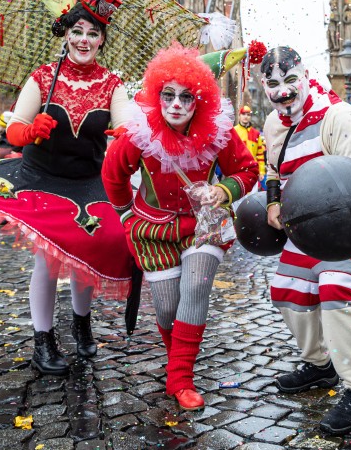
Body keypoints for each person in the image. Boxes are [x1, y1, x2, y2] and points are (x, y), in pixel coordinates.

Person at [0, 0, 135, 375]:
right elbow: (15, 128)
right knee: (48, 262)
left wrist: (126, 135)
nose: (84, 39)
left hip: (88, 180)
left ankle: (82, 323)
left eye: (93, 33)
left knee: (92, 248)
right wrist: (28, 132)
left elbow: (128, 125)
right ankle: (43, 341)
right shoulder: (44, 77)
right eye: (77, 31)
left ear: (102, 40)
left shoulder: (112, 84)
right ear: (66, 34)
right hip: (42, 178)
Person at [102, 43, 258, 411]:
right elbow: (113, 177)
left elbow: (246, 170)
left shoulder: (220, 131)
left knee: (195, 290)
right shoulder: (137, 134)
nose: (175, 104)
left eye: (185, 97)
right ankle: (179, 362)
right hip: (152, 229)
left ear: (198, 101)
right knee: (168, 309)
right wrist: (126, 217)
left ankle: (181, 379)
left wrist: (222, 189)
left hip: (203, 225)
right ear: (156, 96)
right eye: (167, 95)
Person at [259, 46, 351, 435]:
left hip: (350, 226)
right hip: (306, 227)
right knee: (288, 290)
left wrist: (347, 232)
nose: (283, 91)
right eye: (273, 84)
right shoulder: (274, 125)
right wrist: (274, 202)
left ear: (306, 75)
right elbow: (274, 170)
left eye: (290, 80)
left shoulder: (338, 116)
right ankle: (319, 365)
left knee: (336, 293)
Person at [234, 105, 267, 182]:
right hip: (237, 170)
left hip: (253, 170)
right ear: (239, 116)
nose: (246, 116)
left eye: (248, 114)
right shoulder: (234, 131)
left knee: (252, 194)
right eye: (243, 114)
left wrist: (261, 171)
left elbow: (260, 154)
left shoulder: (256, 133)